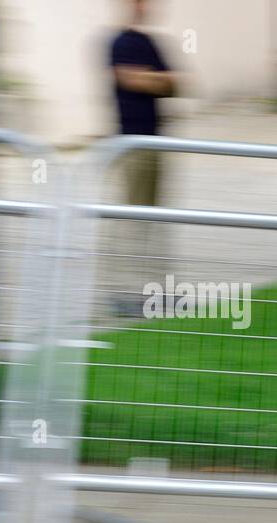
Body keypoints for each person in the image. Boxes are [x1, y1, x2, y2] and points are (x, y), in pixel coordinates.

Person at [109, 0, 177, 316]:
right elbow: (130, 80)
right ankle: (126, 293)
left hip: (155, 142)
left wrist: (151, 78)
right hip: (132, 144)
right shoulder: (119, 43)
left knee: (156, 219)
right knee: (132, 219)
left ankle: (158, 293)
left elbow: (176, 83)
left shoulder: (149, 43)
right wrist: (154, 79)